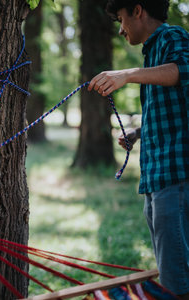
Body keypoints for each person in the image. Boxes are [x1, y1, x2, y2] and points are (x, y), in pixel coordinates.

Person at [88, 0, 188, 297]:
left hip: (176, 175)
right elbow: (172, 109)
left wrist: (126, 75)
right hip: (157, 178)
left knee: (176, 276)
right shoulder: (152, 53)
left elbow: (183, 70)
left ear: (138, 10)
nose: (120, 29)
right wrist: (138, 133)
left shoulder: (172, 36)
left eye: (121, 18)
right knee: (169, 264)